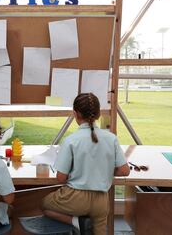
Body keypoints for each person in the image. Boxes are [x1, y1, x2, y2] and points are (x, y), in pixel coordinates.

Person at [42, 93, 130, 235]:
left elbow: (60, 178)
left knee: (44, 205)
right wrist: (104, 169)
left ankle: (76, 222)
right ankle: (82, 223)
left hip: (75, 198)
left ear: (75, 114)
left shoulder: (71, 140)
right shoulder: (111, 138)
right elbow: (124, 171)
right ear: (99, 114)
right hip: (101, 200)